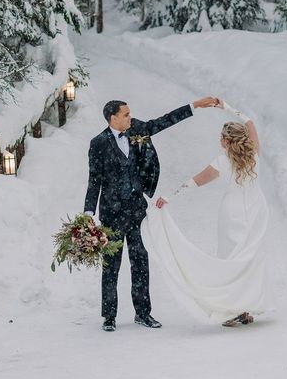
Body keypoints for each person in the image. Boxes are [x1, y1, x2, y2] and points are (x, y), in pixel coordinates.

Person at [83, 96, 219, 332]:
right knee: (111, 265)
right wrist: (88, 212)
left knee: (140, 263)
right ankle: (109, 316)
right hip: (111, 215)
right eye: (125, 114)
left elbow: (162, 122)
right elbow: (94, 180)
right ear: (112, 118)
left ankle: (143, 313)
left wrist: (194, 106)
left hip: (137, 211)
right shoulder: (98, 143)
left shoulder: (137, 130)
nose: (130, 117)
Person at [142, 100, 271, 327]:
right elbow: (249, 121)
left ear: (227, 142)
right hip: (255, 210)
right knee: (249, 259)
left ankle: (232, 308)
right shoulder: (255, 155)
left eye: (221, 137)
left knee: (230, 259)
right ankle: (244, 307)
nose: (219, 140)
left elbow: (196, 181)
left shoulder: (222, 162)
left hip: (232, 215)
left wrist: (171, 196)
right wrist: (227, 107)